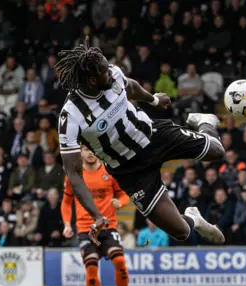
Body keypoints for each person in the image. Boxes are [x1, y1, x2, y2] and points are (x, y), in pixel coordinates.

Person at [55, 42, 225, 253]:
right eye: (105, 72)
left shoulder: (114, 75)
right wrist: (97, 215)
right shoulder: (71, 115)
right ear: (91, 79)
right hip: (131, 171)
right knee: (181, 232)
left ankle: (205, 122)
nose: (111, 72)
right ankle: (194, 218)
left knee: (217, 152)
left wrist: (152, 99)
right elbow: (74, 174)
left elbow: (130, 86)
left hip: (153, 136)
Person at [61, 145, 138, 286]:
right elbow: (66, 202)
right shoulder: (74, 176)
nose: (90, 153)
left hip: (108, 226)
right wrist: (67, 224)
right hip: (85, 228)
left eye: (92, 149)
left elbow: (124, 194)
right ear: (80, 152)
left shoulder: (109, 172)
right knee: (91, 265)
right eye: (86, 150)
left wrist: (121, 202)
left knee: (119, 260)